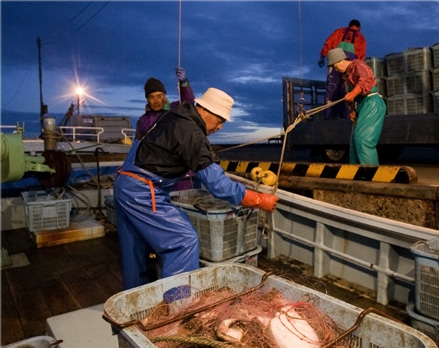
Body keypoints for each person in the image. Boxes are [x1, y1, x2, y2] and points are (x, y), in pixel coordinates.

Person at [114, 87, 279, 290]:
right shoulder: (192, 132)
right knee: (183, 241)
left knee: (134, 253)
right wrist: (260, 200)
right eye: (219, 120)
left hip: (124, 185)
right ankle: (178, 308)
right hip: (143, 191)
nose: (220, 127)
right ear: (205, 111)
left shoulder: (174, 116)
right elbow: (218, 185)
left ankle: (133, 305)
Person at [326, 48, 386, 165]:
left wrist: (353, 94)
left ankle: (371, 174)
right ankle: (356, 172)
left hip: (371, 102)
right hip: (361, 105)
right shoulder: (345, 76)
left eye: (335, 66)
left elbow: (365, 80)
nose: (336, 69)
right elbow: (352, 97)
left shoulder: (358, 65)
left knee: (363, 139)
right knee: (354, 142)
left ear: (341, 60)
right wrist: (353, 111)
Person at [318, 20, 367, 120]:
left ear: (349, 25)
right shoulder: (361, 38)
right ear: (359, 27)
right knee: (347, 90)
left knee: (331, 88)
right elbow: (361, 57)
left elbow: (328, 43)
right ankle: (347, 117)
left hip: (334, 62)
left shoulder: (339, 32)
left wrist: (322, 57)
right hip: (350, 65)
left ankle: (328, 117)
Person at [135, 67, 195, 140]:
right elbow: (137, 144)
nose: (156, 101)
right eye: (151, 97)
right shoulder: (142, 120)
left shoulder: (174, 110)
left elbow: (189, 102)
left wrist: (184, 83)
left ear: (164, 96)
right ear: (147, 99)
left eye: (159, 96)